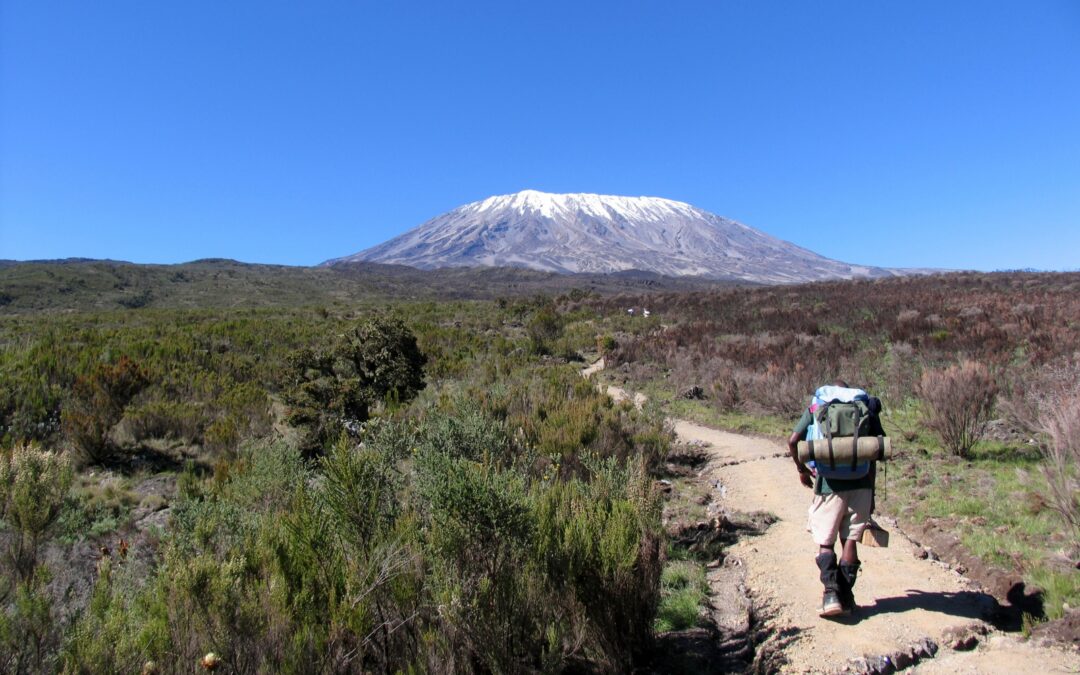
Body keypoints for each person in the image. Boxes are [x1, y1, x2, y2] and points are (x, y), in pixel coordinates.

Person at [786, 380, 885, 618]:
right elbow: (876, 450)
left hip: (828, 484)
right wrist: (871, 495)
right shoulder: (865, 407)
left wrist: (801, 469)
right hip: (861, 483)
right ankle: (847, 597)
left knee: (825, 541)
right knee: (849, 540)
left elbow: (792, 441)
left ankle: (831, 594)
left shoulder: (818, 407)